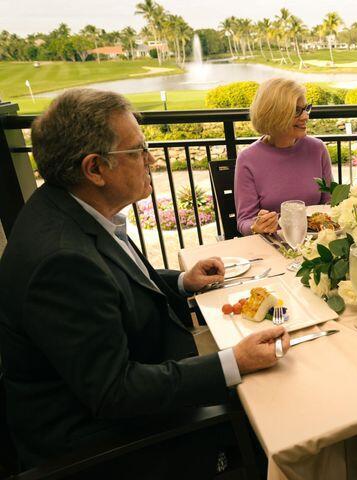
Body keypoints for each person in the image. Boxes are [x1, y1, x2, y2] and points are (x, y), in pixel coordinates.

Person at [0, 88, 290, 476]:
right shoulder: (62, 261)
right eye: (138, 150)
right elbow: (115, 392)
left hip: (138, 378)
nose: (151, 159)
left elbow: (116, 285)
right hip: (108, 447)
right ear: (95, 169)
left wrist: (182, 281)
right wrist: (232, 363)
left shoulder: (69, 209)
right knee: (277, 409)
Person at [234, 78, 333, 236]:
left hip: (316, 243)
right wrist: (256, 226)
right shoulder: (248, 159)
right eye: (296, 111)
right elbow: (244, 221)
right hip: (273, 244)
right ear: (274, 115)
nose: (305, 117)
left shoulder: (317, 148)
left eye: (306, 108)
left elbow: (330, 203)